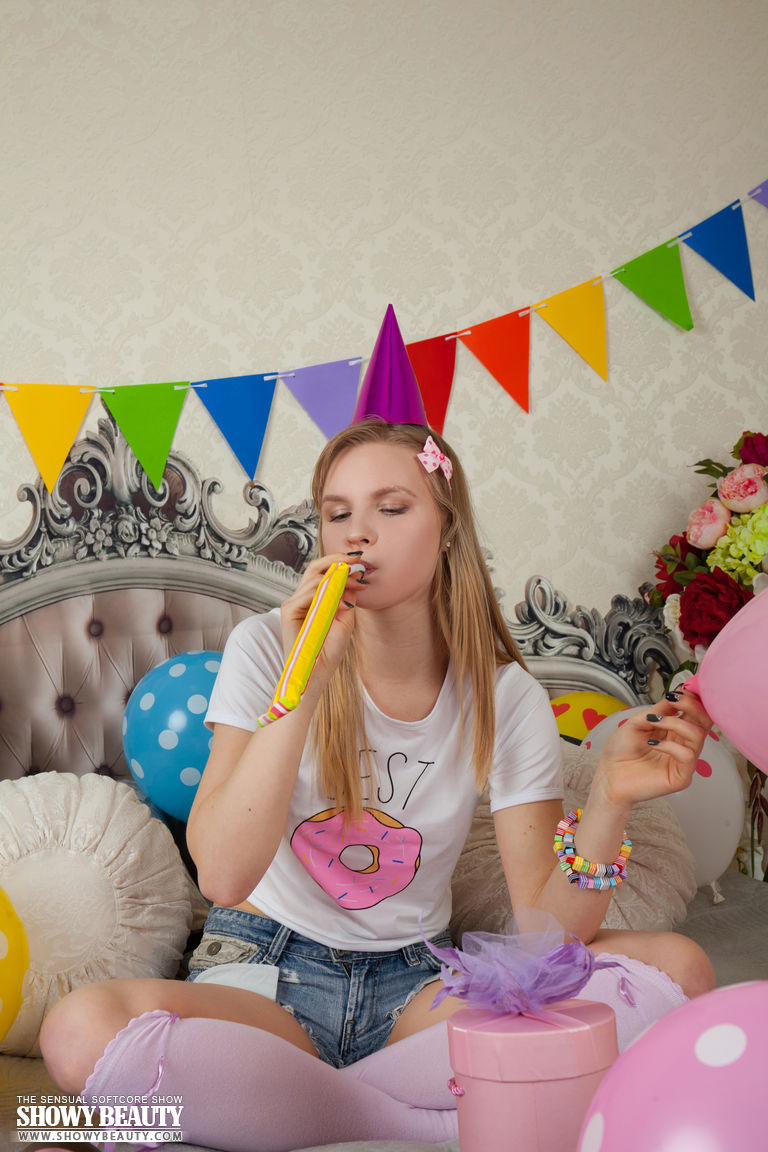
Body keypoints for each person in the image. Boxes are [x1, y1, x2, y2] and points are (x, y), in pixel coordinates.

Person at [40, 418, 715, 1151]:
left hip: (415, 990)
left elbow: (542, 936)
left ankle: (291, 1109)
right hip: (264, 976)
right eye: (337, 514)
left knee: (678, 968)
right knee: (78, 1031)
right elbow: (225, 876)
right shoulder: (265, 646)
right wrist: (306, 677)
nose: (357, 533)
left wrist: (610, 799)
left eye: (391, 508)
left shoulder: (505, 695)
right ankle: (407, 1117)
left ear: (447, 529)